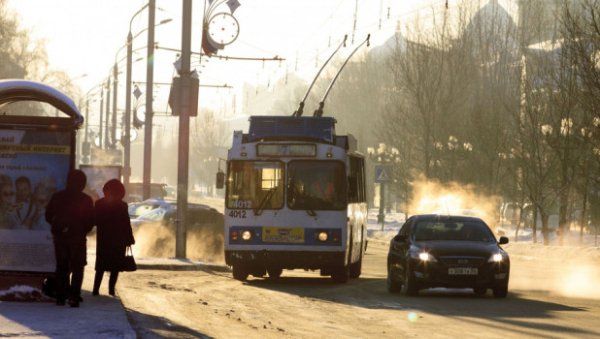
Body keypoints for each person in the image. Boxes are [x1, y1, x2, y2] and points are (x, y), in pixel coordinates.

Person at [45, 170, 94, 307]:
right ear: (82, 183)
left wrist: (58, 227)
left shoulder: (57, 196)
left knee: (62, 267)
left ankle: (61, 297)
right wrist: (82, 229)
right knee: (78, 267)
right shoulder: (86, 199)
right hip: (77, 238)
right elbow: (91, 220)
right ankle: (74, 296)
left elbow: (48, 215)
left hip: (60, 238)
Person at [92, 179, 135, 297]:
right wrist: (129, 239)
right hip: (119, 239)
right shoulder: (122, 205)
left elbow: (94, 220)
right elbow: (126, 223)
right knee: (115, 266)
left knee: (100, 265)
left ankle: (95, 289)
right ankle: (111, 290)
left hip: (103, 239)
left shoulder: (99, 204)